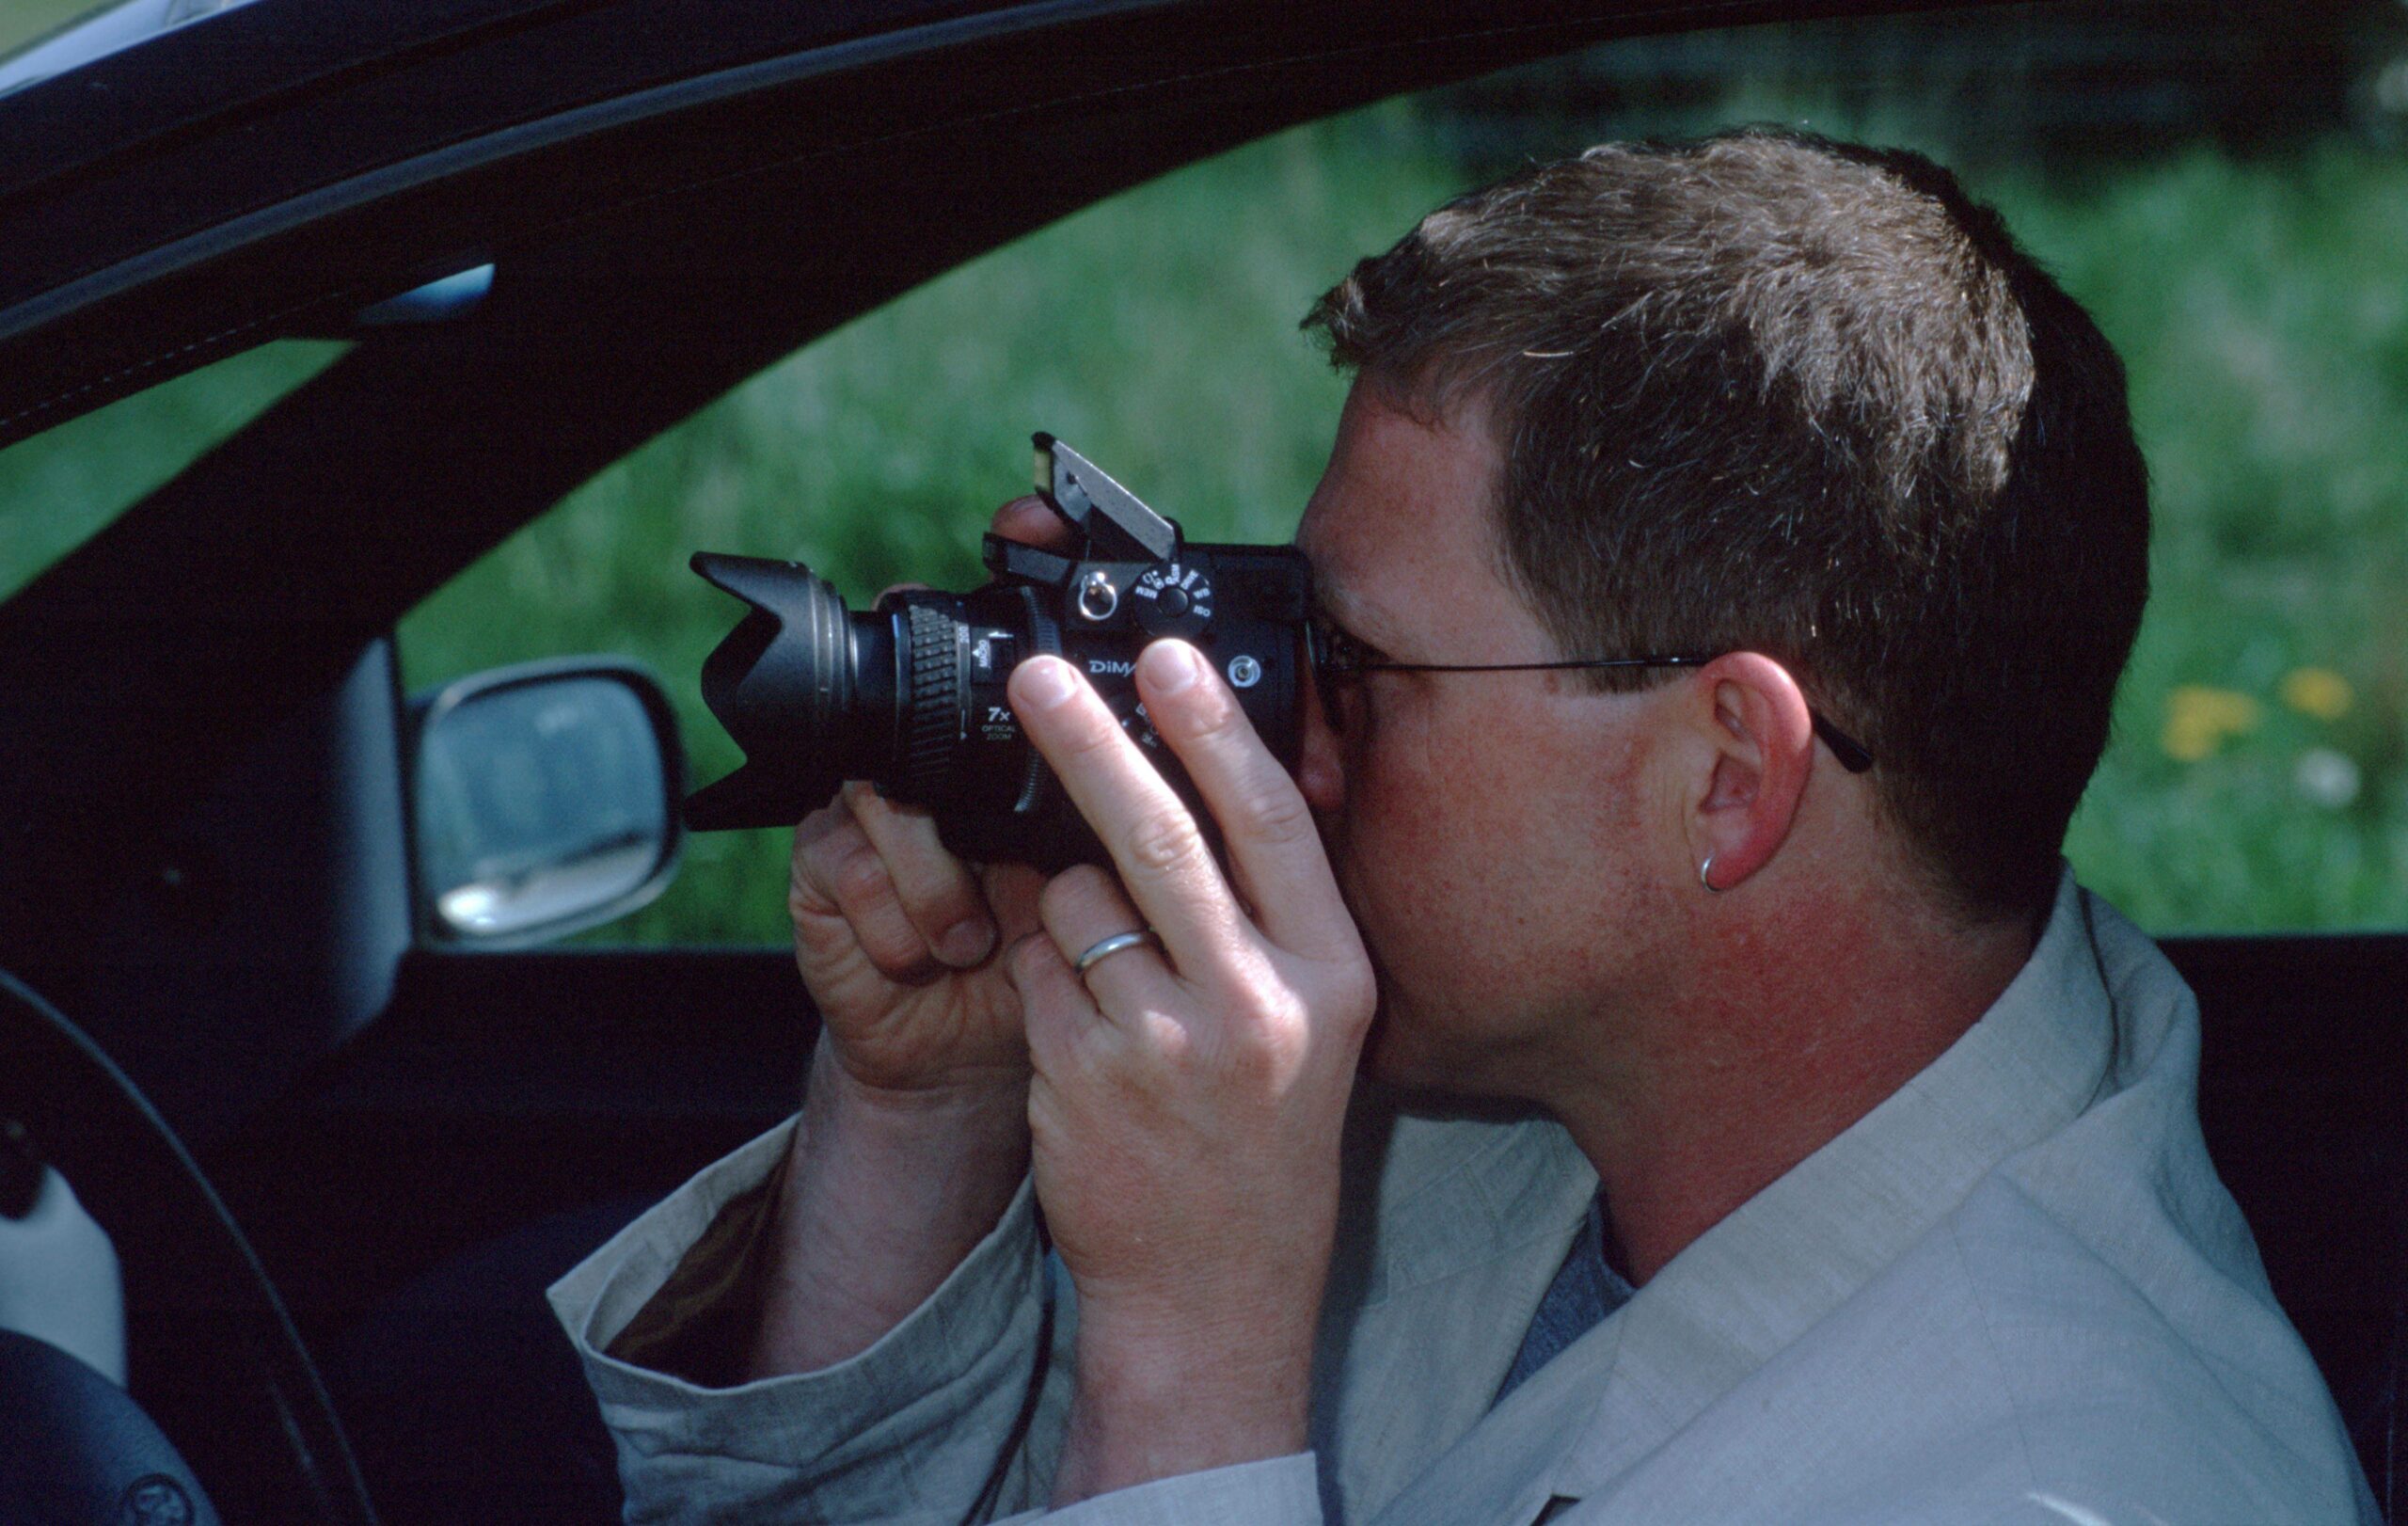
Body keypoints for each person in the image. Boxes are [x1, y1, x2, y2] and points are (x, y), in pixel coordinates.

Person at [549, 130, 2376, 1523]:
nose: (1292, 753)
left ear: (1722, 777)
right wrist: (927, 1104)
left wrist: (1197, 1361)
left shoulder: (2060, 1476)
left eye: (1347, 661)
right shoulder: (1527, 1104)